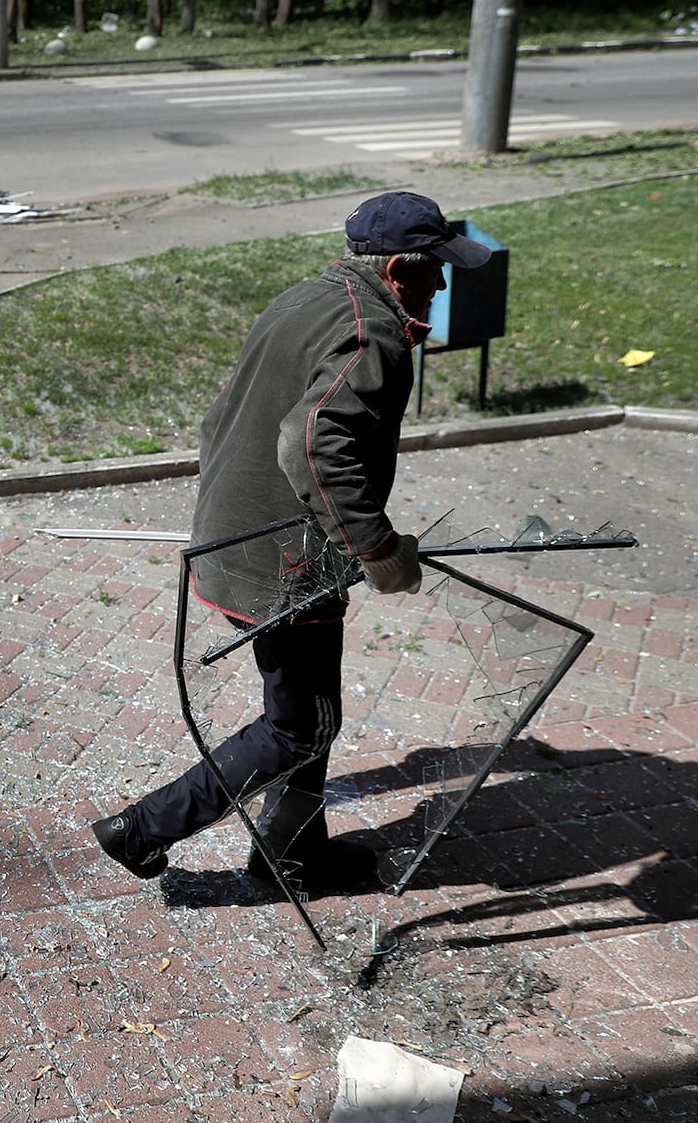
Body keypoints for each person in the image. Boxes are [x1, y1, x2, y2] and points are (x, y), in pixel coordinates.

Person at [91, 191, 491, 897]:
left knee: (310, 710)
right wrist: (376, 548)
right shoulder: (371, 331)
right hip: (287, 561)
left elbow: (223, 417)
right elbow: (313, 446)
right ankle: (143, 828)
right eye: (435, 268)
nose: (442, 282)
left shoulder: (307, 297)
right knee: (299, 728)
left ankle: (292, 856)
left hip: (240, 536)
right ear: (398, 267)